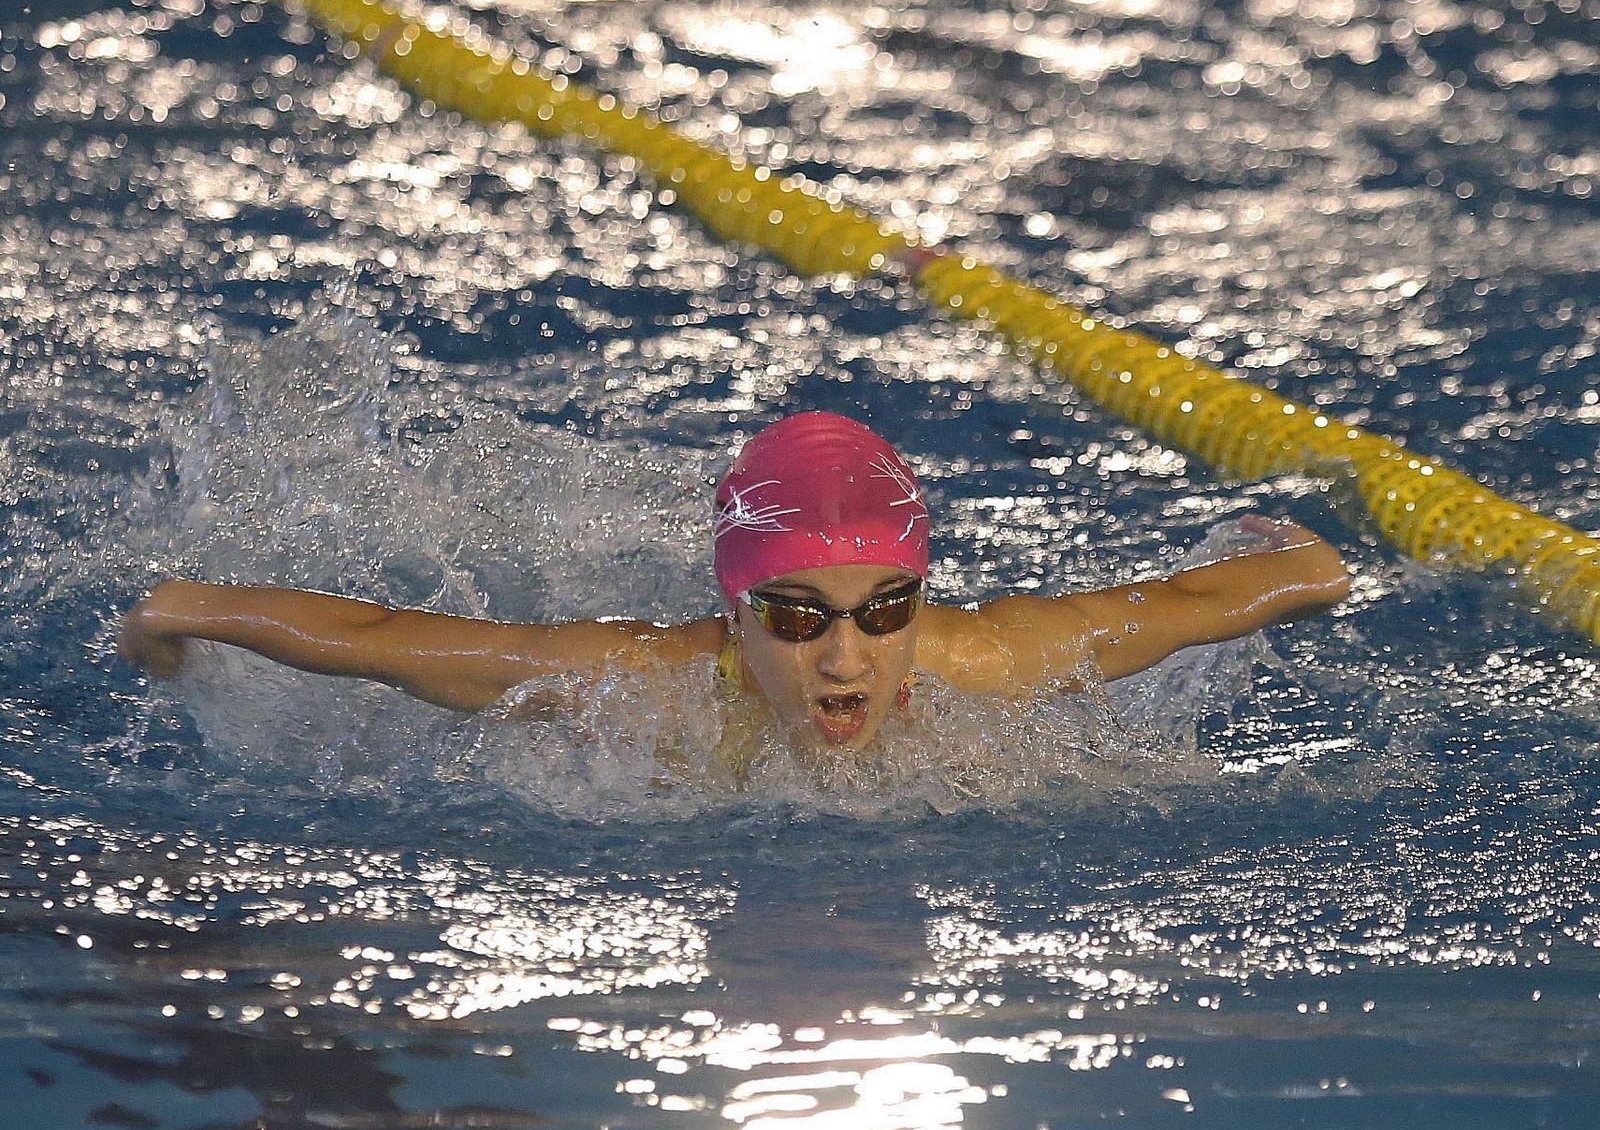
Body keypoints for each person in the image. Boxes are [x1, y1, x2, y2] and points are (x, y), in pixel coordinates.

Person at [119, 411, 1350, 756]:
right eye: (799, 615)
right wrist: (184, 612)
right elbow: (386, 636)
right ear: (736, 611)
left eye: (885, 610)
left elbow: (1241, 589)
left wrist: (1292, 557)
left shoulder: (990, 662)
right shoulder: (632, 688)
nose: (847, 656)